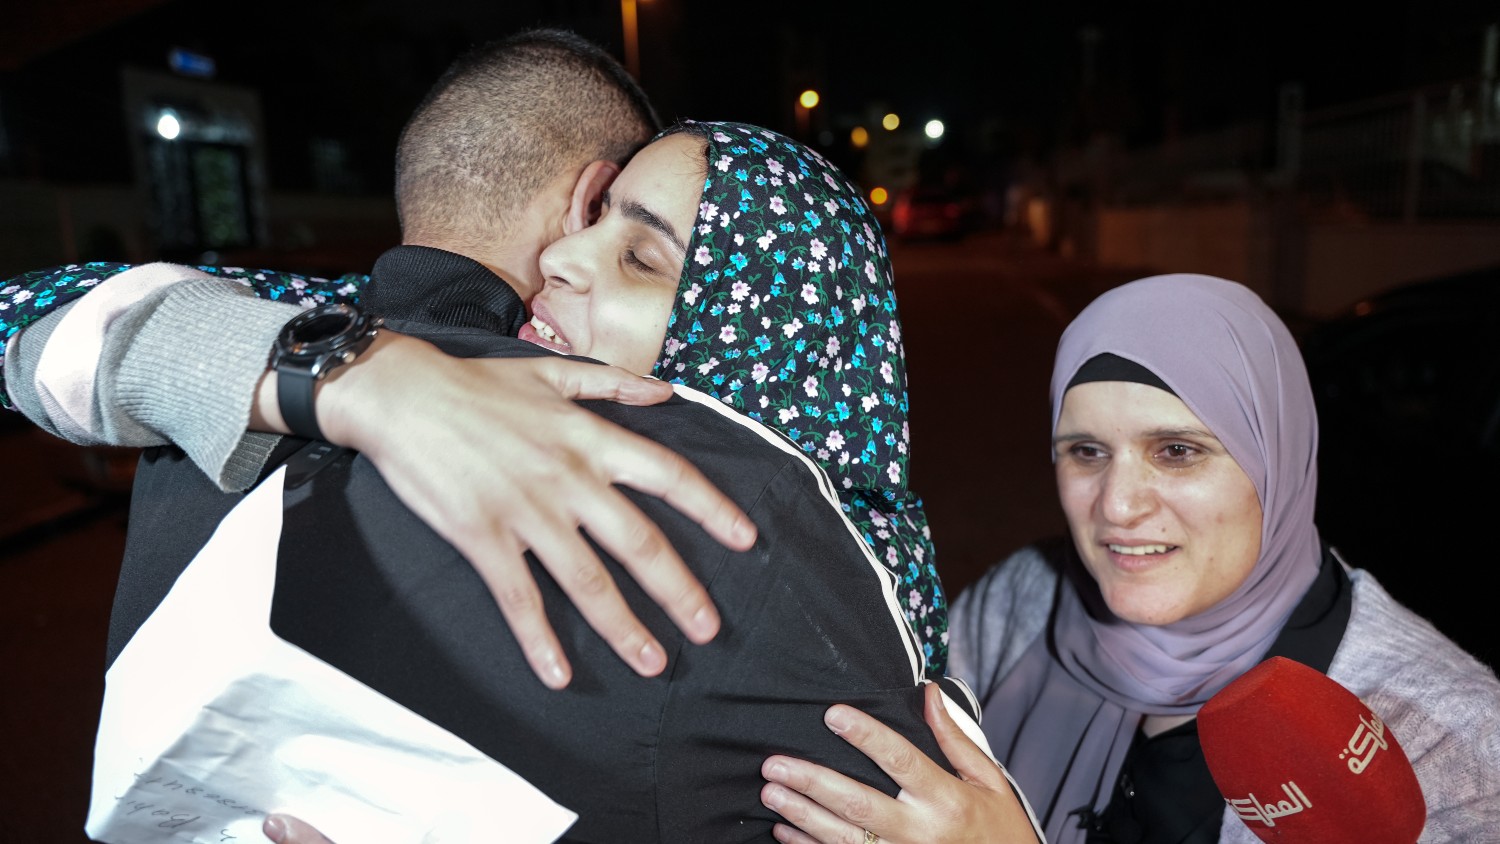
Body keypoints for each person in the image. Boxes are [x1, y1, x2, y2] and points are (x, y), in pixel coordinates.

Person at [89, 120, 1040, 842]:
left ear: (753, 344)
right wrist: (348, 380)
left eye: (640, 256)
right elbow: (42, 310)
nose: (557, 258)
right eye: (592, 220)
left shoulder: (830, 642)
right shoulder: (412, 366)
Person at [1, 28, 761, 690]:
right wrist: (360, 378)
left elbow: (31, 321)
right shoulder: (699, 462)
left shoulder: (257, 319)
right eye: (623, 234)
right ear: (587, 204)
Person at [759, 274, 1500, 843]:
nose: (1116, 506)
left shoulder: (1445, 738)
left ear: (1277, 458)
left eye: (1176, 452)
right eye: (1085, 452)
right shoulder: (1023, 603)